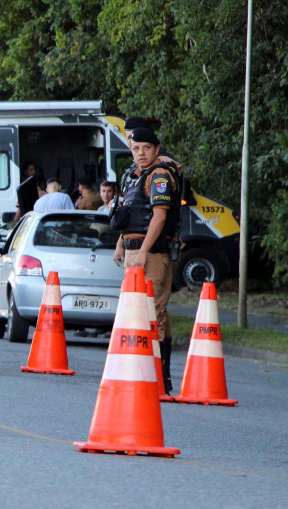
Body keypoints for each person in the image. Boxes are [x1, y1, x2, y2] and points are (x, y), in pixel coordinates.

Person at [112, 127, 180, 394]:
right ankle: (141, 373)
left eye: (146, 148)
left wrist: (141, 253)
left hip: (150, 253)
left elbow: (159, 217)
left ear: (155, 149)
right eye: (136, 148)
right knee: (136, 311)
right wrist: (121, 244)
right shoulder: (133, 177)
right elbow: (131, 215)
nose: (140, 153)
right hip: (134, 250)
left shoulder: (160, 176)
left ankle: (158, 378)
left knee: (152, 312)